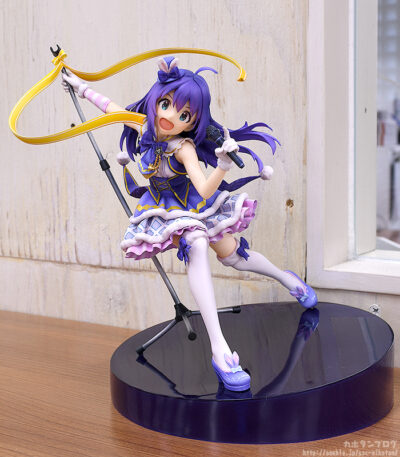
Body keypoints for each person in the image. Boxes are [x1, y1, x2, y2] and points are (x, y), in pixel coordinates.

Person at [62, 56, 317, 392]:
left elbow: (204, 189)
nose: (170, 116)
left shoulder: (184, 148)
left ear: (193, 122)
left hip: (195, 204)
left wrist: (223, 165)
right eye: (166, 105)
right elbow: (109, 108)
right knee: (196, 243)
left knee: (234, 257)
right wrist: (80, 86)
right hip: (163, 209)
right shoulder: (143, 126)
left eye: (184, 115)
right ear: (156, 100)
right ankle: (220, 350)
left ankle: (286, 278)